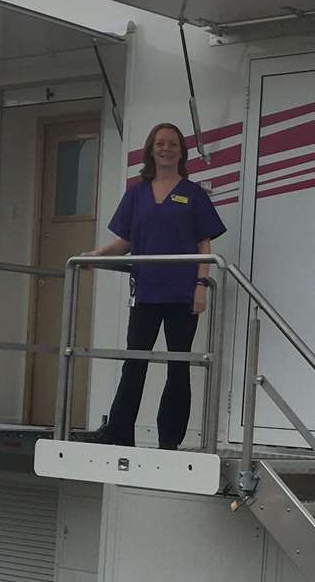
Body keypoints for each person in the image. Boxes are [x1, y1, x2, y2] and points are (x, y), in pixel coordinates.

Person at [80, 122, 226, 449]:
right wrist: (97, 254)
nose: (166, 148)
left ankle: (169, 440)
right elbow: (126, 242)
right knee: (134, 363)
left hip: (182, 295)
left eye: (173, 144)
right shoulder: (137, 193)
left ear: (181, 151)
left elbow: (204, 244)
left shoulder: (193, 194)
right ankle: (119, 432)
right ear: (151, 149)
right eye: (160, 143)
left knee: (178, 366)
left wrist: (201, 284)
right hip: (145, 292)